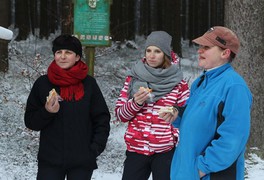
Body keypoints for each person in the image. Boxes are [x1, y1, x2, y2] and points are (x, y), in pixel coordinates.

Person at [170, 26, 253, 180]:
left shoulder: (234, 87)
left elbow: (233, 138)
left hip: (211, 175)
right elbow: (199, 120)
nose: (199, 51)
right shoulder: (200, 82)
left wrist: (201, 168)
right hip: (186, 172)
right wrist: (177, 116)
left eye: (206, 47)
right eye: (200, 46)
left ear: (225, 53)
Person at [24, 34, 111, 180]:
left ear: (77, 57)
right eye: (59, 52)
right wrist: (47, 111)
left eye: (68, 52)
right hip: (50, 161)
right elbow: (30, 121)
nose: (62, 57)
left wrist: (94, 149)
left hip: (82, 161)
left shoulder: (89, 84)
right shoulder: (43, 83)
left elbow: (101, 118)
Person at [115, 31, 190, 180]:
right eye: (148, 50)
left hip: (165, 151)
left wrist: (175, 115)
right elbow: (120, 115)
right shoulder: (133, 78)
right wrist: (136, 103)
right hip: (136, 149)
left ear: (166, 54)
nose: (151, 55)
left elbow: (186, 115)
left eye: (157, 51)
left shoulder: (178, 83)